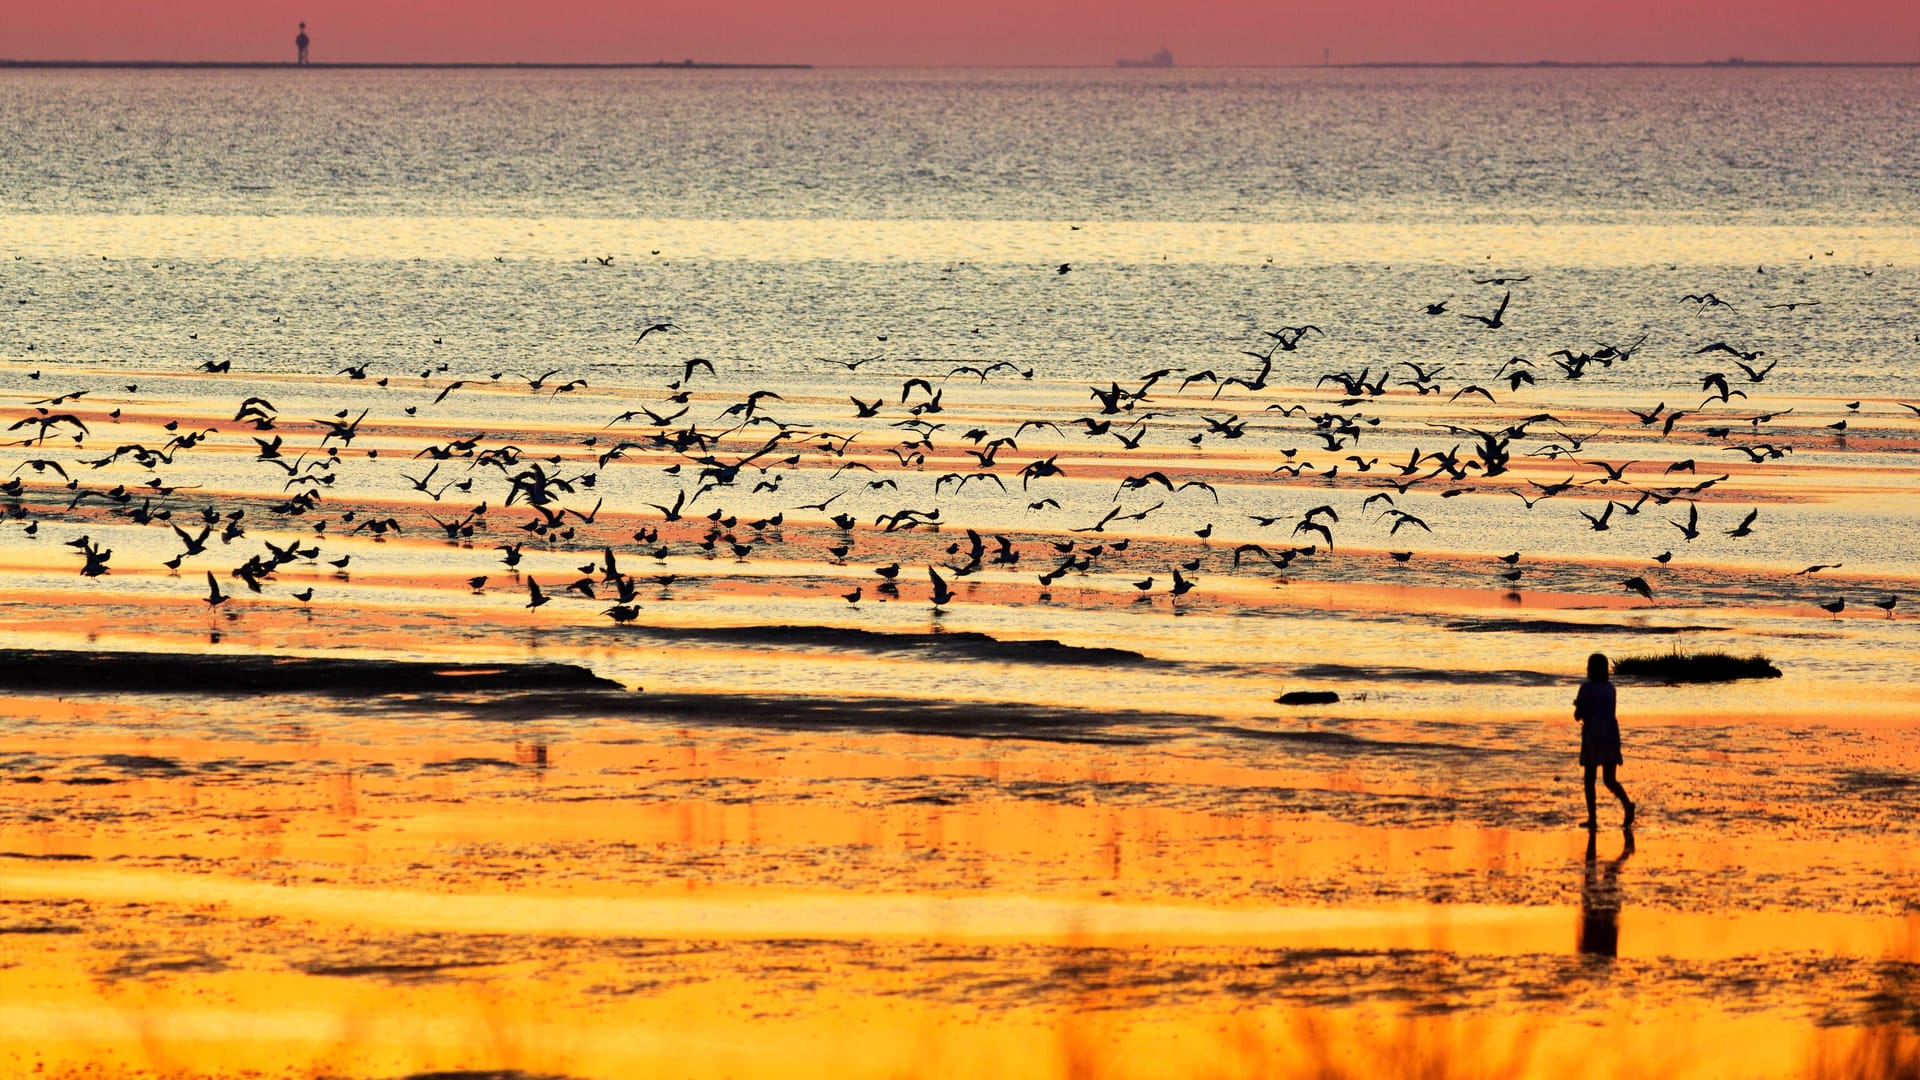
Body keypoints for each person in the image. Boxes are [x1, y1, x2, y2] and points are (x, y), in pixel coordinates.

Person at [1574, 652, 1634, 830]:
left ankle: (1593, 818)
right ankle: (1627, 804)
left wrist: (1577, 706)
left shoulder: (1586, 688)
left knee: (1590, 779)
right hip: (1610, 733)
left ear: (1590, 669)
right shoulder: (1610, 688)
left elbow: (1580, 716)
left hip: (1593, 735)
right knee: (1610, 779)